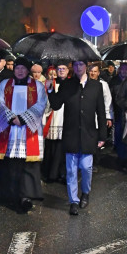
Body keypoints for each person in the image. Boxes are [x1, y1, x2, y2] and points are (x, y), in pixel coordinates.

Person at [48, 60, 107, 215]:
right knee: (71, 170)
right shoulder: (67, 85)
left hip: (89, 134)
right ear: (72, 68)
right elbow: (56, 105)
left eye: (81, 64)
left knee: (86, 167)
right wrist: (50, 90)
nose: (78, 67)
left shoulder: (96, 86)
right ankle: (73, 200)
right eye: (75, 65)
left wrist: (102, 135)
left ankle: (85, 193)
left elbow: (101, 112)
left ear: (86, 66)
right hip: (71, 133)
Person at [0, 57, 47, 213]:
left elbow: (42, 104)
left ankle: (26, 196)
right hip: (10, 128)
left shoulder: (37, 86)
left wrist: (24, 118)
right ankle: (10, 194)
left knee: (28, 165)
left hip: (28, 129)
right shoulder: (5, 85)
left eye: (23, 68)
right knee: (11, 163)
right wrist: (12, 117)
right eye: (17, 68)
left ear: (28, 71)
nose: (20, 71)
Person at [43, 62, 68, 183]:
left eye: (63, 68)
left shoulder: (69, 83)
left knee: (60, 148)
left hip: (63, 117)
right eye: (58, 69)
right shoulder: (48, 84)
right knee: (49, 148)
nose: (59, 72)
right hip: (51, 117)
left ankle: (59, 172)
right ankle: (48, 172)